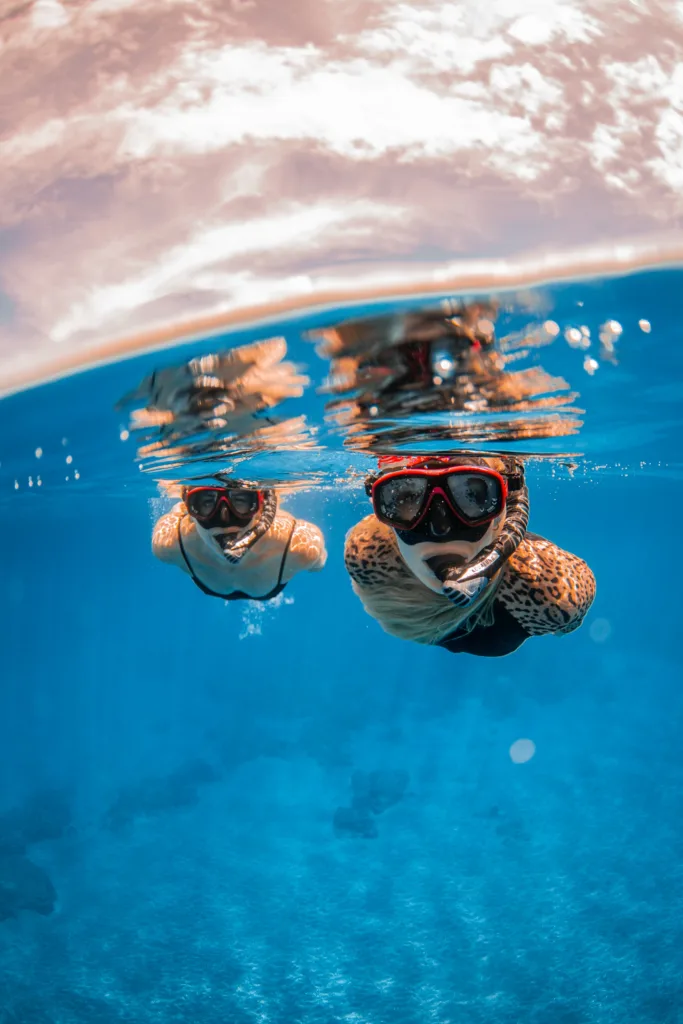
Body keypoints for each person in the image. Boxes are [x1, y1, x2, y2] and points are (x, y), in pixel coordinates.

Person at [344, 455, 595, 656]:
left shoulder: (547, 589)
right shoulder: (370, 554)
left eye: (473, 496)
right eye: (407, 498)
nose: (439, 528)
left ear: (503, 511)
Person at [152, 479, 327, 601]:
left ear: (261, 506)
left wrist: (314, 561)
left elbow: (318, 562)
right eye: (205, 503)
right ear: (190, 508)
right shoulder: (170, 544)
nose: (225, 518)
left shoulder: (299, 547)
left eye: (242, 500)